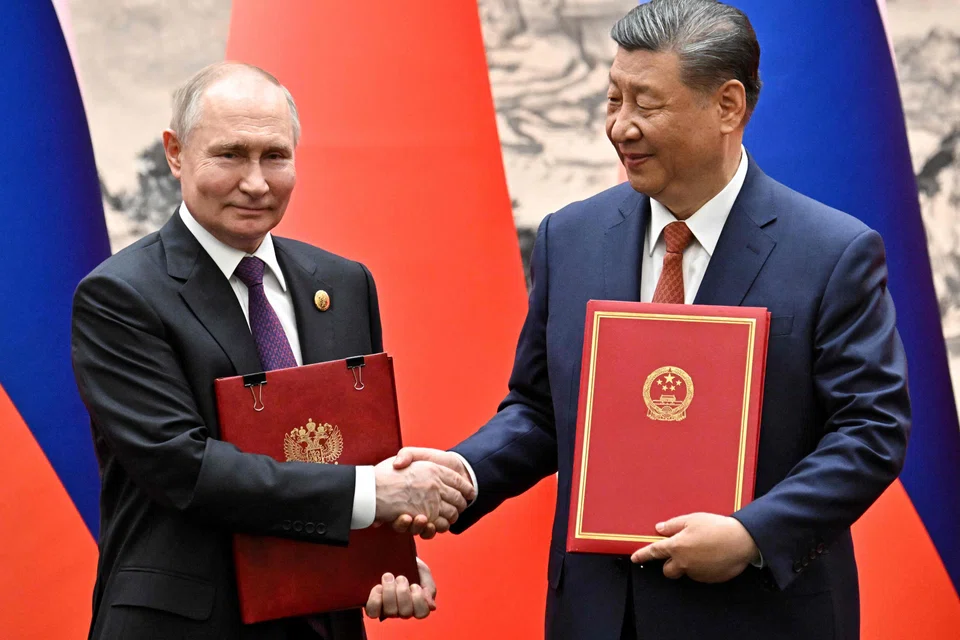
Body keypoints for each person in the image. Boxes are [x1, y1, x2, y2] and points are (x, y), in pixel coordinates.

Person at [392, 1, 911, 638]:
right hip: (600, 614)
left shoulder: (832, 253)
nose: (620, 127)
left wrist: (752, 534)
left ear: (727, 106)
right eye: (614, 99)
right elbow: (539, 408)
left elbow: (870, 430)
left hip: (760, 613)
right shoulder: (573, 237)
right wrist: (461, 474)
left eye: (647, 104)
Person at [71, 62, 473, 639]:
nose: (257, 182)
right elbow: (184, 468)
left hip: (320, 622)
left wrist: (387, 561)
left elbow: (350, 452)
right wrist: (372, 496)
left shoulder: (344, 282)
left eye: (275, 156)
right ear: (176, 153)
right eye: (231, 155)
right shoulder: (121, 295)